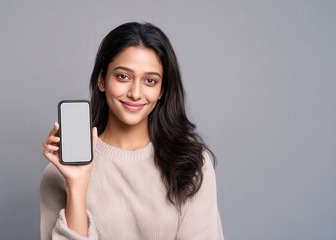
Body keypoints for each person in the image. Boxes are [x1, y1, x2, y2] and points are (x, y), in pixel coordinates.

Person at [40, 22, 224, 240]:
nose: (136, 93)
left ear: (161, 90)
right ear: (101, 80)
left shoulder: (191, 163)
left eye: (150, 81)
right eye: (123, 77)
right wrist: (77, 185)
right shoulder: (58, 174)